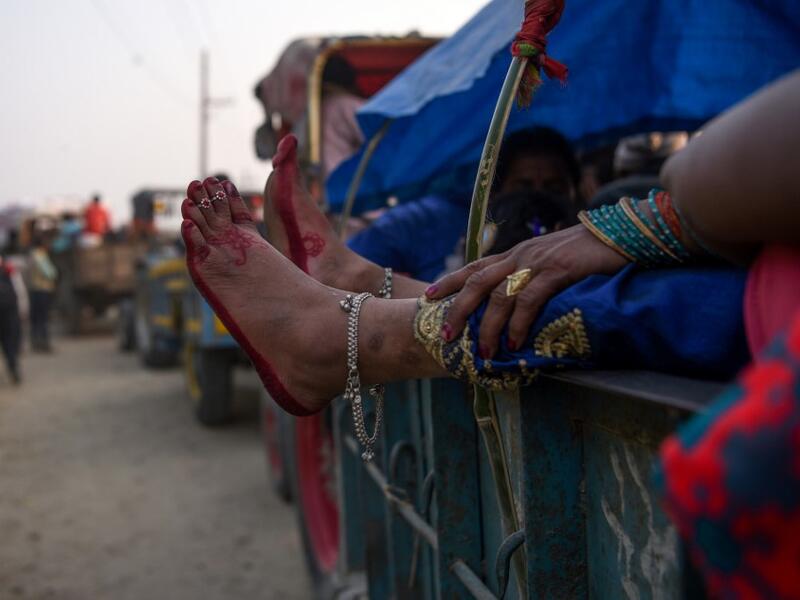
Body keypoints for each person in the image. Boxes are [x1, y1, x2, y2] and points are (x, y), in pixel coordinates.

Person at [346, 126, 582, 281]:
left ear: (576, 192)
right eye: (524, 187)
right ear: (493, 193)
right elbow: (353, 269)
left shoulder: (594, 248)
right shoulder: (426, 225)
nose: (538, 200)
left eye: (554, 189)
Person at [0, 251, 26, 383]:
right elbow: (19, 289)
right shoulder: (9, 270)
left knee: (10, 341)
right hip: (10, 312)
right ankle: (13, 368)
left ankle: (13, 367)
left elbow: (19, 289)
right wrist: (23, 308)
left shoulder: (9, 270)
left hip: (9, 312)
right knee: (10, 342)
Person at [28, 235, 57, 353]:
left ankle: (35, 342)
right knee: (43, 318)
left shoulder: (31, 255)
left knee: (36, 318)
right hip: (42, 289)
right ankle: (44, 343)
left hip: (34, 289)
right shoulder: (39, 255)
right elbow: (50, 273)